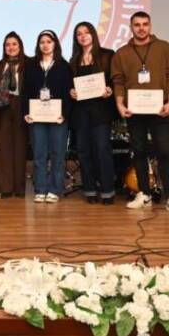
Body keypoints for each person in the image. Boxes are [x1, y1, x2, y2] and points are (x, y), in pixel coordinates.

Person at [112, 12, 169, 215]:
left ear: (150, 26)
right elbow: (118, 81)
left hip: (159, 109)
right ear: (131, 27)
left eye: (145, 24)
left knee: (164, 151)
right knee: (139, 151)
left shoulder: (164, 47)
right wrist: (120, 104)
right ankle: (143, 194)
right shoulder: (122, 53)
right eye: (137, 25)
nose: (141, 28)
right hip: (134, 111)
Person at [22, 30, 72, 203]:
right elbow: (25, 92)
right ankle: (40, 188)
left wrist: (64, 114)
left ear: (55, 44)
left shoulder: (64, 66)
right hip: (36, 117)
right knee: (39, 154)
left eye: (48, 42)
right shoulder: (31, 66)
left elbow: (68, 93)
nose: (45, 45)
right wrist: (26, 113)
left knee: (57, 154)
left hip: (57, 118)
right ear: (38, 45)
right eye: (42, 42)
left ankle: (55, 190)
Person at [69, 22, 116, 204]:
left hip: (101, 110)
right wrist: (70, 91)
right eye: (79, 34)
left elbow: (115, 79)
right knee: (83, 151)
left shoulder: (107, 55)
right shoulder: (73, 60)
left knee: (102, 149)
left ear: (93, 34)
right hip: (80, 111)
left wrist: (110, 90)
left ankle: (107, 190)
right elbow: (70, 85)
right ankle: (89, 189)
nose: (83, 36)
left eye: (86, 32)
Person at [0, 32, 29, 199]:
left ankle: (19, 188)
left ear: (20, 46)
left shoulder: (28, 64)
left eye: (14, 44)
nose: (11, 47)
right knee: (3, 151)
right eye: (7, 44)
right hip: (2, 109)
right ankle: (5, 188)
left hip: (21, 108)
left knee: (20, 150)